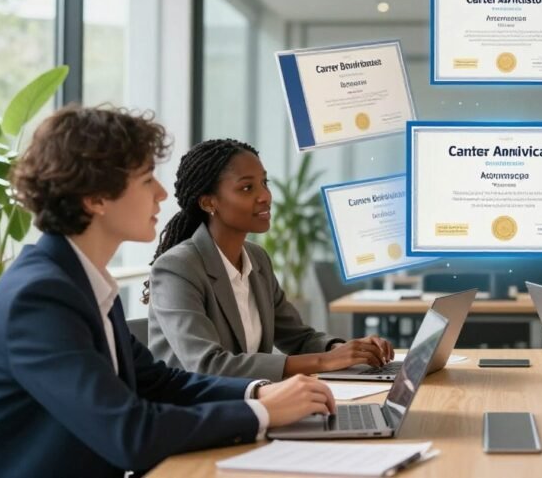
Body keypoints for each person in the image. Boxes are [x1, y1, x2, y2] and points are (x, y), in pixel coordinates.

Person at [0, 106, 336, 478]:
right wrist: (263, 412)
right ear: (95, 199)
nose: (161, 193)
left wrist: (257, 393)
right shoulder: (41, 298)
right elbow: (130, 433)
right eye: (146, 180)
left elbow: (159, 382)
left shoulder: (80, 282)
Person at [146, 138, 394, 382]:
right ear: (209, 202)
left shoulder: (257, 258)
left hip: (250, 402)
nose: (265, 196)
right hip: (194, 412)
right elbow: (208, 365)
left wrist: (346, 350)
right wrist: (326, 361)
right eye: (247, 188)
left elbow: (298, 338)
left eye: (265, 183)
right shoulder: (178, 268)